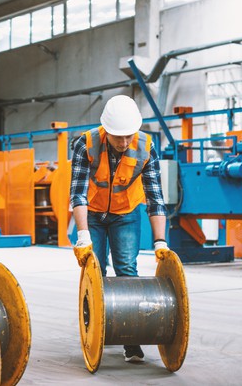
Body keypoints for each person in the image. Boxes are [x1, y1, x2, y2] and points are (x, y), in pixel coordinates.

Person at [70, 94, 169, 363]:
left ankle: (132, 339)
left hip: (125, 213)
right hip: (92, 213)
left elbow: (155, 196)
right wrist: (82, 236)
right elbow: (77, 193)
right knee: (96, 270)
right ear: (106, 130)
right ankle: (98, 330)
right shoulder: (86, 144)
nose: (124, 142)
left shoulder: (146, 146)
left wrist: (160, 241)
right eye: (117, 137)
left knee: (127, 269)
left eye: (128, 136)